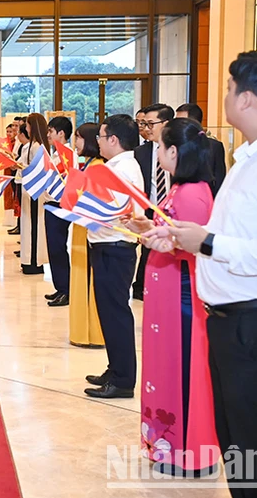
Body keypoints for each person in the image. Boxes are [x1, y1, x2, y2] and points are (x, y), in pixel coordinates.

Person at [146, 51, 257, 495]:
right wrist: (183, 238)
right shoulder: (249, 159)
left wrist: (205, 242)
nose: (225, 97)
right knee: (238, 442)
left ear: (247, 99)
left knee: (255, 444)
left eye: (229, 88)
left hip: (254, 321)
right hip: (228, 321)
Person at [124, 118, 217, 477]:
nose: (157, 151)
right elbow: (171, 232)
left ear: (174, 151)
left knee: (181, 371)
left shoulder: (193, 193)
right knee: (165, 369)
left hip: (181, 297)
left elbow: (189, 245)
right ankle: (168, 447)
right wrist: (148, 227)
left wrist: (161, 237)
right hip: (167, 294)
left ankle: (188, 453)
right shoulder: (180, 188)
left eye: (161, 146)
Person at [84, 114, 145, 399]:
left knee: (116, 314)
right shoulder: (116, 166)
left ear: (114, 139)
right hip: (108, 245)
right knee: (108, 314)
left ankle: (123, 380)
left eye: (100, 136)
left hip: (115, 246)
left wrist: (80, 203)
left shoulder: (123, 169)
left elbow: (112, 210)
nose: (97, 141)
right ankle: (116, 368)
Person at [133, 103, 175, 300]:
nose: (147, 129)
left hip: (174, 210)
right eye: (144, 124)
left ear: (166, 123)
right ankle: (143, 288)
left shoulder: (178, 149)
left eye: (151, 124)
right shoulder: (140, 152)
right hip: (150, 209)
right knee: (148, 251)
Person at [68, 123, 105, 347]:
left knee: (89, 279)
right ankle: (82, 330)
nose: (75, 143)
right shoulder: (89, 165)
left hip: (89, 230)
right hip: (82, 228)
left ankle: (91, 332)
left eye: (79, 138)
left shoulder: (97, 167)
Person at [44, 116, 75, 305]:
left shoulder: (67, 154)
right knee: (53, 248)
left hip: (59, 205)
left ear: (61, 133)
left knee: (58, 247)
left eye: (51, 131)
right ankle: (60, 286)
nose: (48, 135)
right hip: (50, 204)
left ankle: (66, 289)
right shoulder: (56, 154)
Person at [18, 113, 49, 275]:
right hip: (28, 189)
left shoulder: (37, 146)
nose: (27, 129)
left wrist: (20, 166)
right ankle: (28, 259)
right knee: (28, 225)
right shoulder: (31, 145)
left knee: (33, 225)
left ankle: (34, 260)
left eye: (28, 126)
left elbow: (36, 169)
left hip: (34, 191)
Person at [175, 103, 227, 197]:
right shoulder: (174, 146)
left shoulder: (214, 146)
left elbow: (219, 180)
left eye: (181, 122)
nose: (176, 126)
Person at [12, 122, 30, 244]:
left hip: (26, 182)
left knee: (25, 211)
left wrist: (18, 165)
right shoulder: (24, 147)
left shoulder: (31, 147)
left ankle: (25, 238)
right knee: (21, 208)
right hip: (20, 179)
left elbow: (28, 165)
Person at [3, 121, 21, 229]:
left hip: (16, 171)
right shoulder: (7, 143)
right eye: (8, 131)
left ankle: (16, 220)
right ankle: (10, 218)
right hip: (8, 169)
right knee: (8, 193)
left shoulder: (18, 142)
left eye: (15, 126)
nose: (10, 133)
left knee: (15, 195)